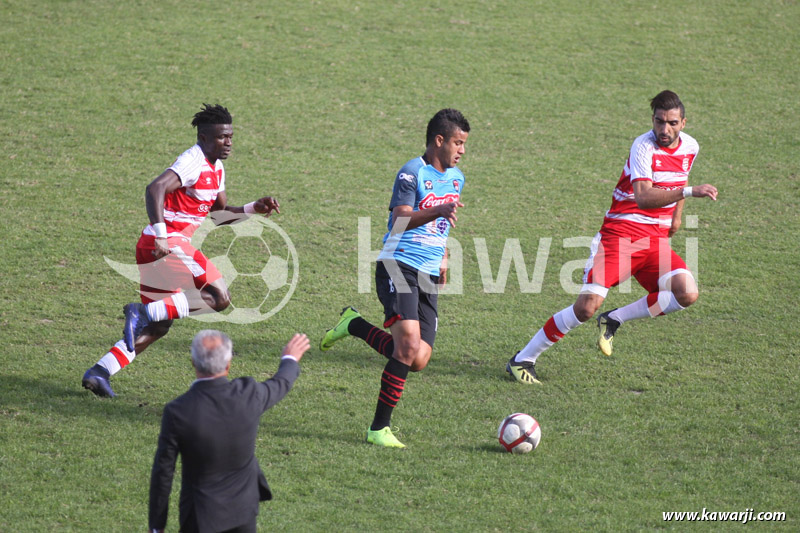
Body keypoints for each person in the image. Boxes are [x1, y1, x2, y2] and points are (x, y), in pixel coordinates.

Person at [507, 90, 718, 385]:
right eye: (659, 121)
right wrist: (689, 193)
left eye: (671, 123)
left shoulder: (691, 147)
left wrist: (677, 216)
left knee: (686, 293)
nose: (664, 129)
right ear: (653, 120)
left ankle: (616, 318)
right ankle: (522, 359)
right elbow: (644, 198)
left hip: (654, 239)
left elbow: (680, 177)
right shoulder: (643, 147)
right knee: (585, 307)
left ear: (683, 122)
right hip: (620, 234)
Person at [82, 104, 281, 397]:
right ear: (203, 137)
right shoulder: (193, 161)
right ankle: (140, 311)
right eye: (221, 137)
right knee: (219, 296)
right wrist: (163, 236)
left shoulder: (216, 167)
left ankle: (100, 371)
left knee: (160, 325)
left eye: (230, 137)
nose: (228, 143)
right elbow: (154, 189)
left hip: (157, 247)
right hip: (165, 244)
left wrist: (254, 208)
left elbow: (219, 214)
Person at [319, 108, 470, 448]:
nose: (462, 150)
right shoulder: (411, 173)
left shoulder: (457, 178)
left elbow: (442, 226)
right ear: (439, 140)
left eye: (464, 144)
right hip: (398, 265)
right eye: (458, 143)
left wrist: (443, 258)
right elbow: (400, 220)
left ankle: (354, 324)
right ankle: (378, 429)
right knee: (406, 347)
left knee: (418, 359)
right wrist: (437, 210)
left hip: (429, 272)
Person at [148, 330, 309, 533]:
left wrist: (156, 526)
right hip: (243, 512)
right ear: (228, 364)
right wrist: (290, 358)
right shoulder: (248, 395)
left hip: (200, 518)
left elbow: (163, 472)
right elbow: (281, 383)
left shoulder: (178, 411)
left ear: (193, 363)